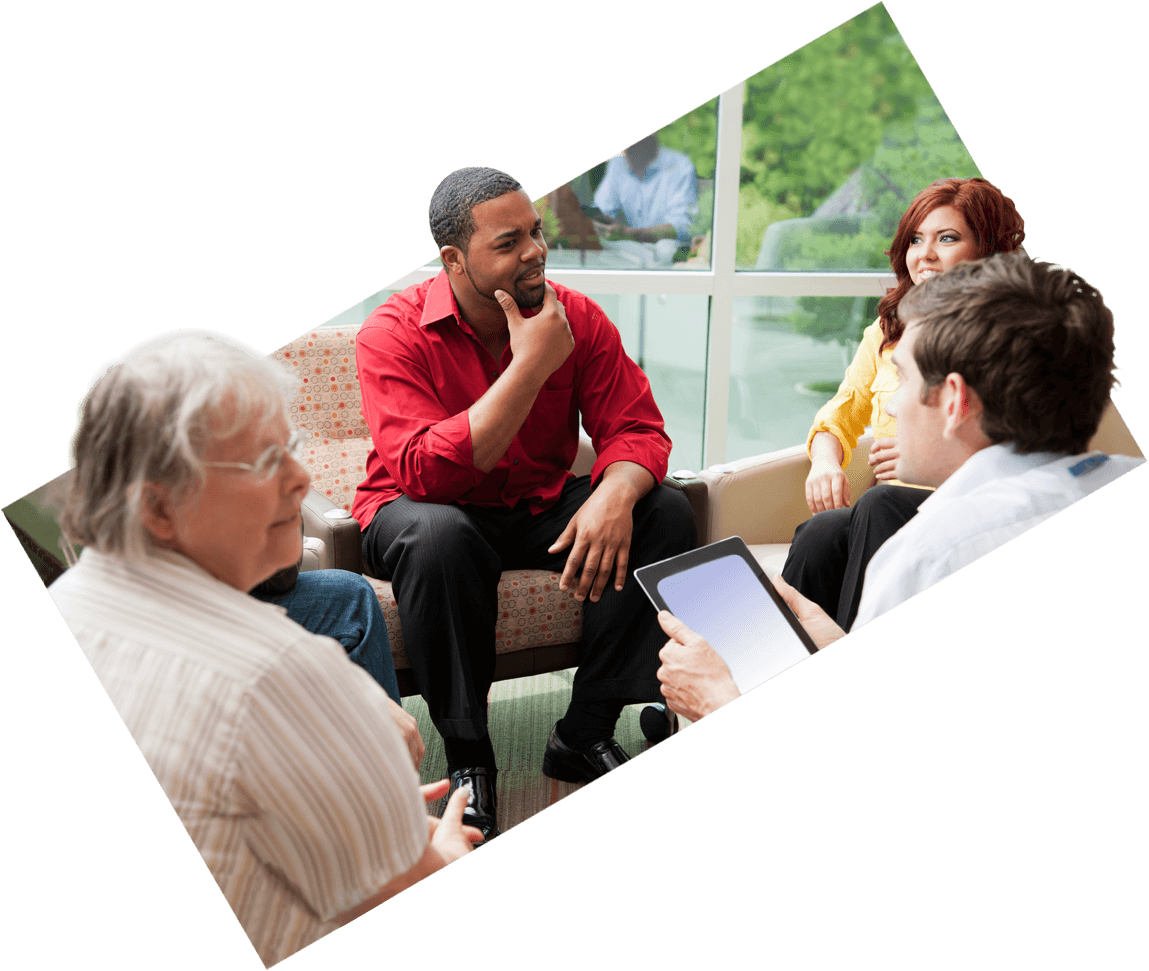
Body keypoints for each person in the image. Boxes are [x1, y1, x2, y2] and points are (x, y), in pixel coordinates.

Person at [48, 331, 482, 968]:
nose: (303, 477)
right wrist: (442, 848)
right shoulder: (277, 673)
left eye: (293, 446)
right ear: (157, 506)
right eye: (263, 461)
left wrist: (363, 814)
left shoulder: (71, 600)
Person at [352, 166, 697, 842]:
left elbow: (636, 427)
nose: (535, 250)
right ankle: (470, 757)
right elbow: (423, 472)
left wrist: (615, 492)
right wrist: (530, 365)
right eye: (508, 242)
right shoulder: (392, 331)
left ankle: (583, 729)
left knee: (666, 510)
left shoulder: (576, 315)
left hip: (533, 501)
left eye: (535, 232)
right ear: (454, 259)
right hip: (416, 509)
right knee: (439, 536)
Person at [657, 253, 1143, 723]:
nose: (889, 409)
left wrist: (715, 698)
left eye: (904, 377)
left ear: (954, 401)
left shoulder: (933, 552)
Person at [783, 178, 1026, 631]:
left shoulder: (1010, 333)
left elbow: (1027, 446)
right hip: (888, 501)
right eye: (916, 239)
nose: (925, 254)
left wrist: (933, 462)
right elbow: (843, 409)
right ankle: (760, 667)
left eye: (947, 238)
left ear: (987, 248)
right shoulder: (887, 330)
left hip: (966, 504)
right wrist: (824, 463)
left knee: (879, 503)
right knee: (820, 533)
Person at [250, 559, 425, 770]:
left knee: (351, 594)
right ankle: (387, 781)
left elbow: (281, 574)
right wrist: (359, 693)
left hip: (233, 591)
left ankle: (390, 776)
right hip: (209, 612)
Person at [591, 133, 699, 246]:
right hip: (631, 250)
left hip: (668, 253)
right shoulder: (618, 164)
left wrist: (628, 234)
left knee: (666, 247)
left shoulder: (681, 166)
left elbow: (682, 227)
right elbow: (602, 210)